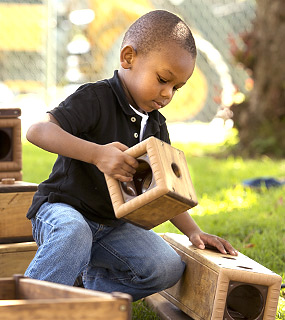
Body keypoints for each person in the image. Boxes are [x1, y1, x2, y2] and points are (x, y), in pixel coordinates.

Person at [25, 10, 237, 301]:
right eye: (163, 79)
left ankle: (90, 297)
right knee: (75, 233)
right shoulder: (96, 97)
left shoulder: (157, 125)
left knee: (166, 267)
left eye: (176, 87)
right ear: (128, 58)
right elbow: (38, 132)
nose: (167, 94)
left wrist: (194, 232)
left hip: (111, 227)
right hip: (62, 212)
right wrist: (98, 155)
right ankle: (24, 306)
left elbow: (164, 190)